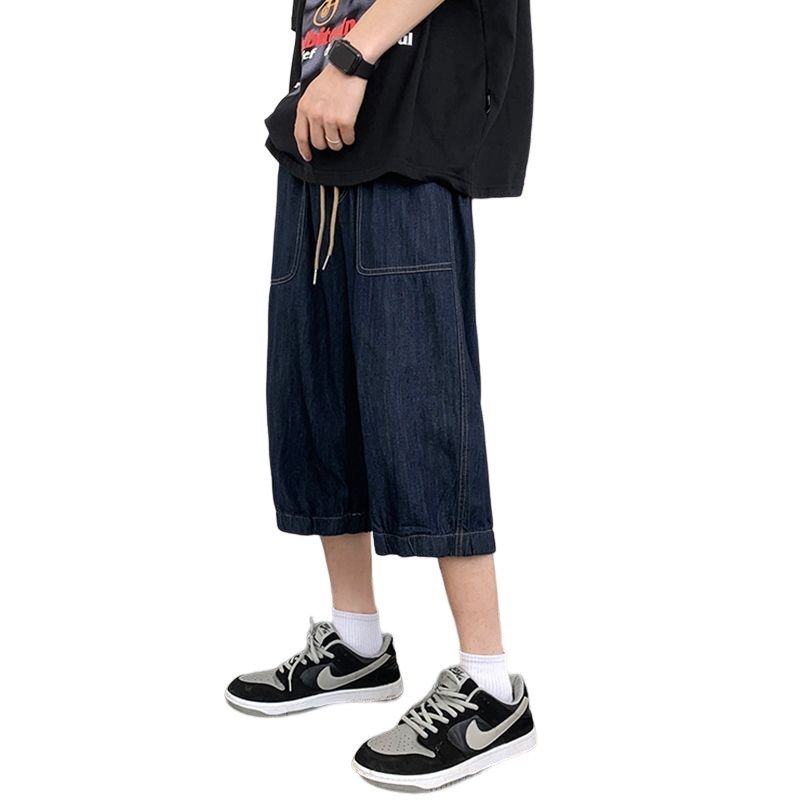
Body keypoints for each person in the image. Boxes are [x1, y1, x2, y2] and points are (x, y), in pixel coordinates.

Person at [226, 0, 535, 790]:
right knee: (314, 399)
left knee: (421, 405)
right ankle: (356, 645)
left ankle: (491, 688)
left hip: (403, 136)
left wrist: (351, 59)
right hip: (318, 145)